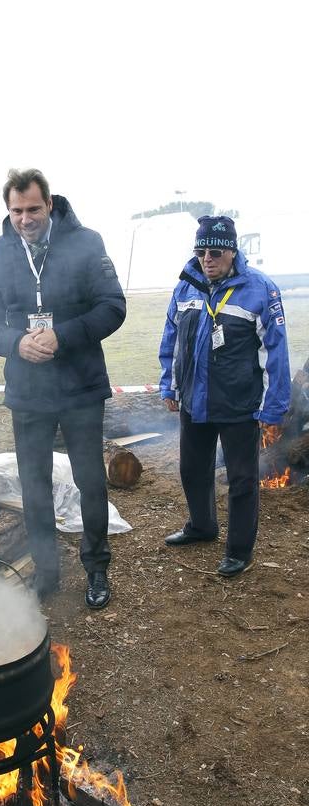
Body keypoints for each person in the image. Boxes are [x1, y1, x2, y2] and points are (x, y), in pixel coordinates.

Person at [0, 168, 126, 609]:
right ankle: (46, 571)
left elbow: (113, 307)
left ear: (50, 204)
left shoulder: (86, 242)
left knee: (90, 481)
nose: (25, 218)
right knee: (34, 483)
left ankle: (96, 568)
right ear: (8, 210)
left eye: (33, 208)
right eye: (17, 210)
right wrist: (15, 343)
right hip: (29, 390)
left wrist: (65, 335)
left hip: (80, 386)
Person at [159, 215, 291, 577]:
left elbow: (276, 352)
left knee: (242, 480)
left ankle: (239, 551)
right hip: (193, 402)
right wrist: (169, 385)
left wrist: (273, 406)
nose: (207, 259)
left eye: (215, 251)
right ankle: (202, 527)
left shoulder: (261, 289)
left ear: (232, 251)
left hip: (239, 404)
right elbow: (170, 338)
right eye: (200, 251)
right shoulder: (185, 286)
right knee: (192, 470)